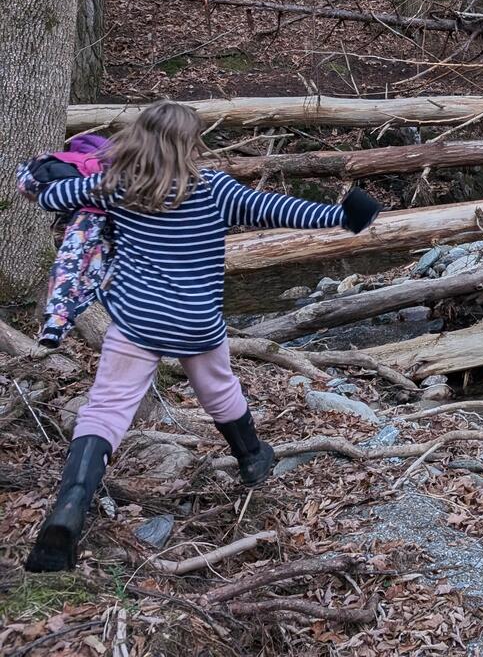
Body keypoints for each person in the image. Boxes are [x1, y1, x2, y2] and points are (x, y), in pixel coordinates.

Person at [18, 101, 383, 573]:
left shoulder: (114, 186)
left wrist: (50, 176)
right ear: (191, 144)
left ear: (139, 139)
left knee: (107, 408)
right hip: (196, 320)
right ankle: (252, 459)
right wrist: (346, 215)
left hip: (137, 319)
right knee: (219, 389)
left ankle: (68, 511)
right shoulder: (214, 189)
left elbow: (52, 198)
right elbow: (277, 209)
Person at [18, 132, 114, 347]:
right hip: (101, 216)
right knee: (98, 267)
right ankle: (63, 318)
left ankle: (56, 322)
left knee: (70, 262)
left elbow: (41, 194)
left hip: (85, 216)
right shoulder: (108, 169)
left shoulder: (62, 162)